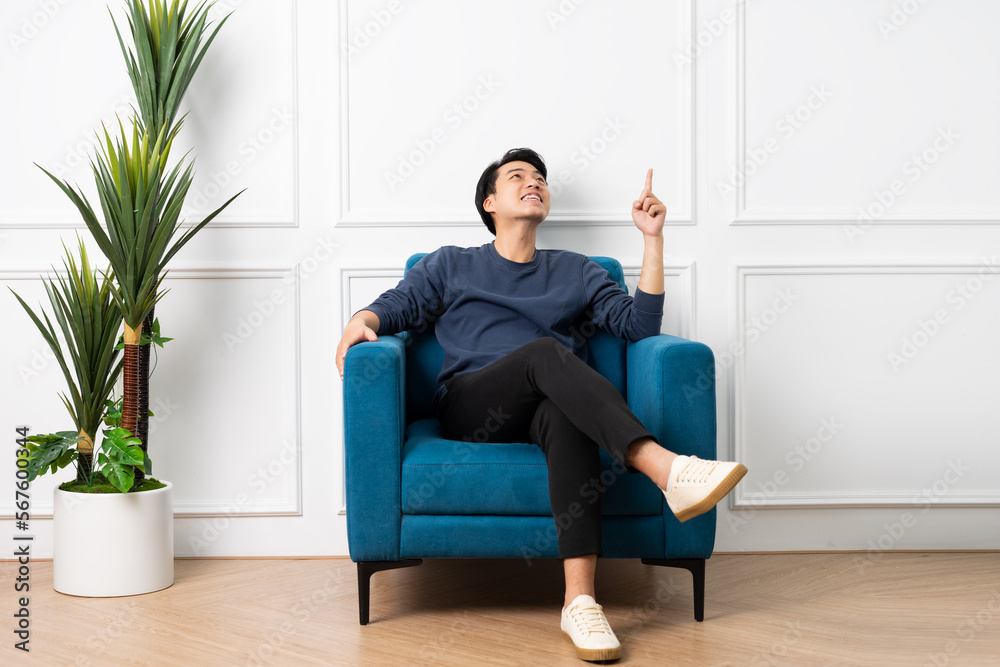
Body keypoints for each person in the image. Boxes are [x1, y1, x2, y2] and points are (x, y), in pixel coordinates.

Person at [336, 148, 747, 662]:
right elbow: (400, 304)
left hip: (542, 408)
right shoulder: (452, 263)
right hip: (471, 406)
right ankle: (666, 470)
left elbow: (638, 329)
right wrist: (364, 319)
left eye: (540, 179)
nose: (534, 183)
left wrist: (653, 241)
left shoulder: (575, 272)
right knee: (545, 354)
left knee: (565, 413)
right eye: (518, 177)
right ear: (489, 202)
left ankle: (580, 602)